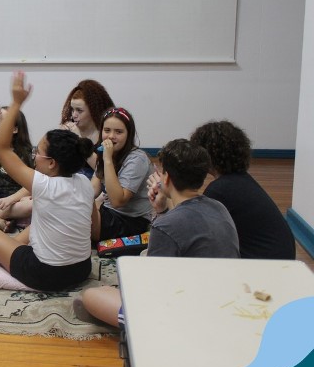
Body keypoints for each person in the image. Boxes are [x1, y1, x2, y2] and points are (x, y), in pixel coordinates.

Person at [81, 139, 240, 326]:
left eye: (161, 171)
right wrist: (161, 210)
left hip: (190, 314)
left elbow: (154, 283)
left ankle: (130, 323)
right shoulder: (218, 206)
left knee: (91, 295)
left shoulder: (167, 226)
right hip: (227, 299)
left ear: (166, 178)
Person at [0, 72, 96, 292]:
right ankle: (12, 247)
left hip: (45, 274)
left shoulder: (44, 184)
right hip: (82, 268)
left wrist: (16, 102)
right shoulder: (85, 182)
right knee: (41, 221)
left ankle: (9, 252)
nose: (34, 156)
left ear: (52, 163)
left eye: (38, 152)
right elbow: (95, 229)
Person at [190, 121, 296, 259]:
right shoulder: (241, 181)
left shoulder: (220, 190)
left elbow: (191, 229)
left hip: (265, 265)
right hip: (280, 259)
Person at [91, 107, 152, 241]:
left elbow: (117, 201)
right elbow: (92, 189)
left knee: (80, 221)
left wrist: (107, 159)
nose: (111, 136)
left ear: (128, 134)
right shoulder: (106, 153)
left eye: (118, 132)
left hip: (131, 220)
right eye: (107, 130)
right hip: (108, 212)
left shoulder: (137, 158)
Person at [58, 79, 115, 177]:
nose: (74, 115)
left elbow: (104, 172)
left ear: (94, 110)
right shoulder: (69, 130)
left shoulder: (107, 134)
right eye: (72, 110)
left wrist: (80, 140)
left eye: (79, 110)